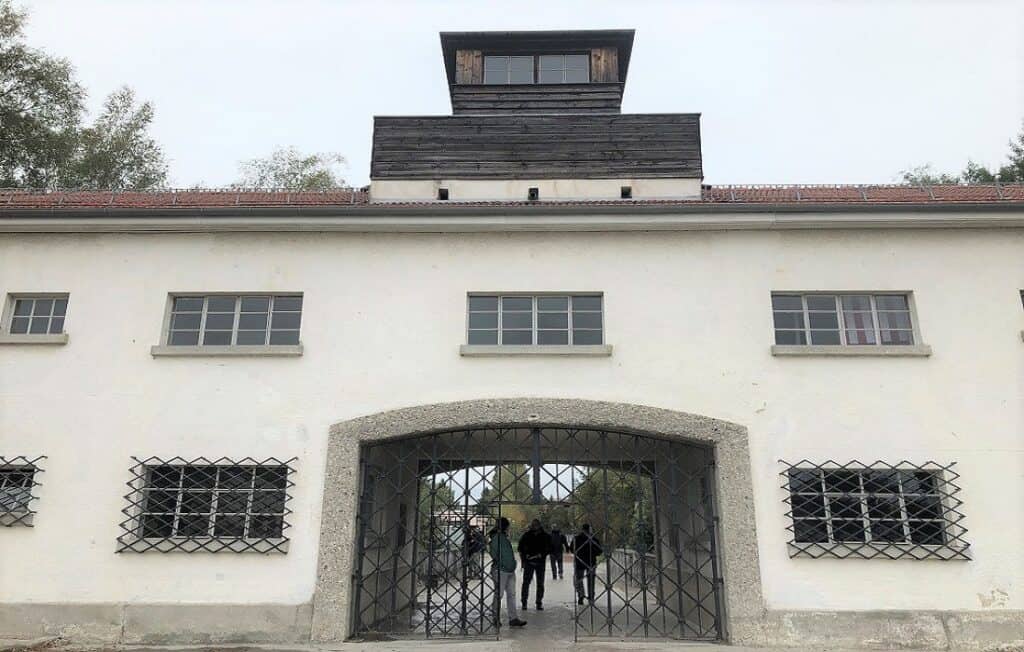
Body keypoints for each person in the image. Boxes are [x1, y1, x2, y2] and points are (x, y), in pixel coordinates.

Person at [487, 518, 526, 628]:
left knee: (511, 595)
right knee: (499, 594)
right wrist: (503, 563)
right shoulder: (496, 538)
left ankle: (513, 618)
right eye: (508, 526)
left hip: (508, 570)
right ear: (505, 526)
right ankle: (495, 617)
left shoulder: (503, 538)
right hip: (501, 570)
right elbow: (494, 554)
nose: (509, 528)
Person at [517, 518, 551, 611]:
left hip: (540, 562)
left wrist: (542, 554)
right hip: (529, 562)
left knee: (540, 583)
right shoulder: (527, 535)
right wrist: (524, 557)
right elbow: (520, 547)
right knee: (526, 583)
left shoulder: (545, 536)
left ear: (539, 525)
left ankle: (539, 602)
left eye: (536, 524)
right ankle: (524, 602)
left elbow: (549, 548)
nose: (534, 526)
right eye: (533, 524)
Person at [571, 523, 603, 605]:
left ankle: (581, 595)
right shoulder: (594, 539)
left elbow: (572, 549)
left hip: (579, 561)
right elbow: (599, 551)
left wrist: (579, 553)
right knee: (591, 580)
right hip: (591, 562)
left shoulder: (576, 539)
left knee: (579, 579)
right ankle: (591, 597)